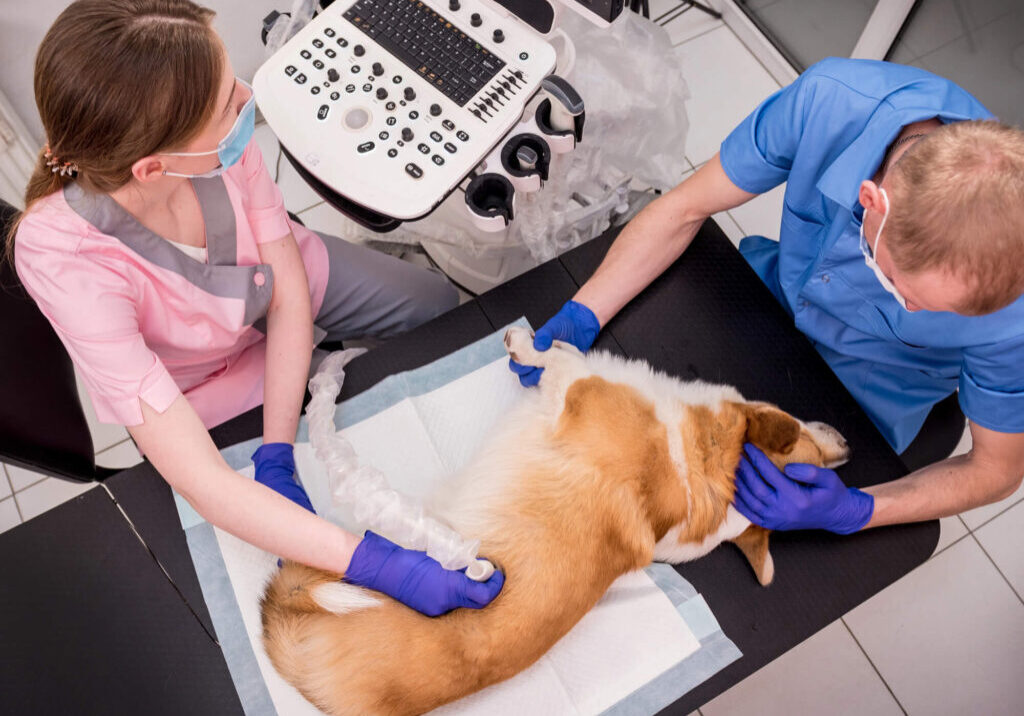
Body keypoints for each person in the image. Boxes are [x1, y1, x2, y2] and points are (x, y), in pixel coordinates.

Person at [7, 0, 502, 616]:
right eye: (226, 104)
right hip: (206, 381)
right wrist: (372, 563)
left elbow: (289, 288)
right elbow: (206, 484)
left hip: (277, 281)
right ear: (154, 167)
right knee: (307, 477)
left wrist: (279, 444)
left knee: (436, 303)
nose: (247, 97)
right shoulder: (62, 256)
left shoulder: (220, 140)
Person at [511, 57, 1024, 536]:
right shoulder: (831, 102)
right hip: (760, 304)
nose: (909, 311)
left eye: (938, 311)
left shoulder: (1015, 308)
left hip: (866, 399)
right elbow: (685, 209)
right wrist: (586, 310)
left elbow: (996, 471)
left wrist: (858, 510)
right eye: (900, 287)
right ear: (871, 201)